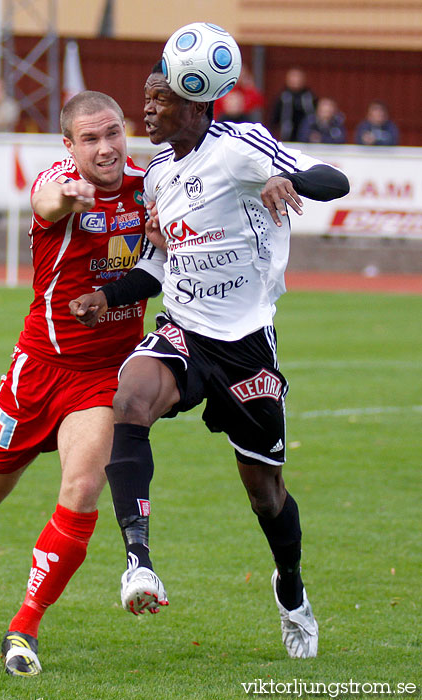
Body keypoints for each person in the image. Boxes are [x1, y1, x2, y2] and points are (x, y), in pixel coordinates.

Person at [70, 59, 350, 659]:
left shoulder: (241, 146)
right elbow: (157, 263)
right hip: (185, 332)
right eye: (144, 99)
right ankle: (138, 564)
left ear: (197, 105)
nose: (144, 111)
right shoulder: (157, 178)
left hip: (247, 350)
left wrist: (288, 178)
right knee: (130, 401)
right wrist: (108, 295)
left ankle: (292, 589)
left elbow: (334, 179)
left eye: (157, 100)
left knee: (266, 496)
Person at [0, 90, 161, 677]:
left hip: (98, 377)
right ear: (69, 145)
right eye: (89, 139)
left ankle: (25, 627)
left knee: (83, 487)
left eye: (113, 133)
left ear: (126, 133)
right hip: (37, 370)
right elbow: (45, 201)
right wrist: (67, 194)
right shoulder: (59, 182)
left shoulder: (152, 185)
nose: (105, 147)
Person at [270, 67, 317, 142]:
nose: (295, 80)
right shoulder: (283, 97)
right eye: (293, 77)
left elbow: (316, 114)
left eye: (298, 77)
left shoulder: (309, 96)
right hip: (288, 136)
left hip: (307, 137)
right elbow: (274, 118)